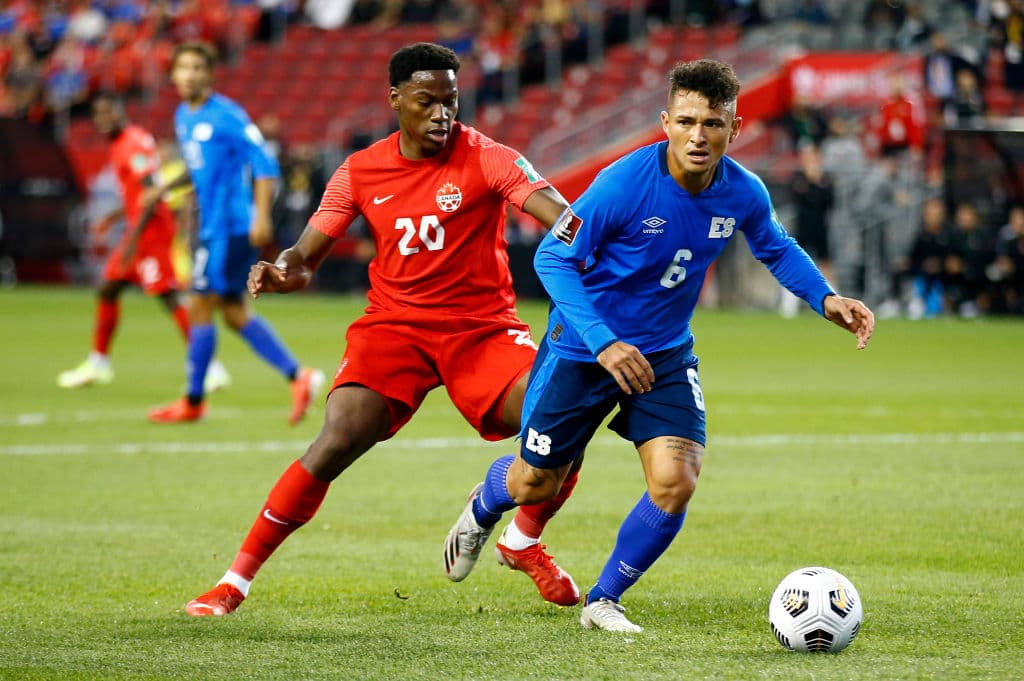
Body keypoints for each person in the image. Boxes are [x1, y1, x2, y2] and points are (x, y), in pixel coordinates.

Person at [443, 58, 875, 633]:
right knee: (533, 482)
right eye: (688, 121)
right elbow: (552, 256)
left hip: (664, 354)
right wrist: (603, 343)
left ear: (734, 129)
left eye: (713, 124)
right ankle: (483, 505)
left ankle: (604, 600)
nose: (699, 136)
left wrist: (826, 298)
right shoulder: (623, 184)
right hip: (581, 349)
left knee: (676, 480)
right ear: (665, 121)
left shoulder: (742, 191)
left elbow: (775, 245)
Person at [184, 42, 585, 617]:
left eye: (451, 101)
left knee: (563, 415)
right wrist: (282, 271)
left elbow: (562, 219)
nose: (443, 114)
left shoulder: (490, 157)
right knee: (337, 438)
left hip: (482, 331)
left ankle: (521, 539)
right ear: (395, 99)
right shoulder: (360, 170)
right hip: (395, 329)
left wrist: (590, 249)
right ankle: (234, 581)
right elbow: (306, 255)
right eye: (428, 102)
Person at [146, 42, 322, 424]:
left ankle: (193, 401)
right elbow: (201, 171)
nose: (190, 74)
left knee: (199, 304)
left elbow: (265, 163)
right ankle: (299, 376)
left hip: (231, 228)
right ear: (173, 74)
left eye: (197, 67)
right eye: (183, 67)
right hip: (211, 227)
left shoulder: (227, 116)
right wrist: (164, 190)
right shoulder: (183, 116)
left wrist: (261, 217)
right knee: (232, 312)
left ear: (210, 73)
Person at [57, 92, 230, 392]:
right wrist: (115, 216)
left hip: (151, 232)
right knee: (108, 288)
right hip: (140, 229)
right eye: (98, 115)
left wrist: (134, 241)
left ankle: (210, 367)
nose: (102, 120)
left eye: (108, 112)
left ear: (122, 112)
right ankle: (99, 363)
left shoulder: (132, 145)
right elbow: (140, 196)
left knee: (168, 296)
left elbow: (151, 194)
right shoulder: (125, 141)